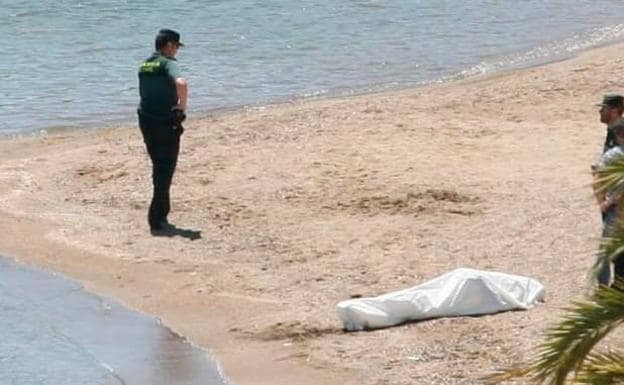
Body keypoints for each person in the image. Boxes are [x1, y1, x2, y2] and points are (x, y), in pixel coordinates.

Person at [137, 29, 188, 233]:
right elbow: (181, 83)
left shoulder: (144, 65)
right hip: (165, 122)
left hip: (146, 120)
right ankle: (156, 217)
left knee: (158, 164)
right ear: (168, 45)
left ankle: (162, 212)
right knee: (165, 168)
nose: (176, 51)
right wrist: (181, 107)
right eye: (176, 46)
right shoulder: (168, 63)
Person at [593, 118, 624, 286]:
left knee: (605, 251)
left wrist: (604, 203)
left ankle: (603, 286)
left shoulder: (612, 156)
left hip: (616, 209)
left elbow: (597, 182)